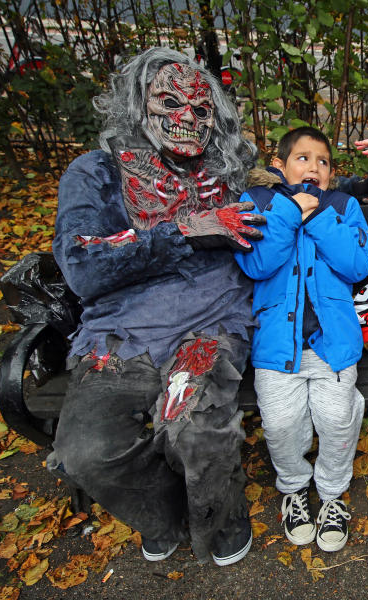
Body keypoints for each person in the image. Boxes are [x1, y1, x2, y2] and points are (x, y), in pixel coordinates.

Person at [46, 48, 265, 566]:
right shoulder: (96, 171)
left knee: (195, 427)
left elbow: (304, 191)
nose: (187, 118)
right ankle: (161, 513)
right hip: (122, 334)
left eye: (202, 109)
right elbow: (80, 264)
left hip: (211, 324)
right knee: (86, 451)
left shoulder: (229, 172)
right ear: (136, 106)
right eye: (169, 102)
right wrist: (187, 231)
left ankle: (221, 517)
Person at [234, 127, 368, 552]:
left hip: (332, 345)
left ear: (332, 173)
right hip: (278, 346)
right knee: (279, 424)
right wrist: (290, 213)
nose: (314, 166)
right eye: (303, 158)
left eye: (324, 161)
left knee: (335, 421)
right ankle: (294, 487)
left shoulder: (344, 207)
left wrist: (317, 217)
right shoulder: (258, 204)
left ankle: (331, 493)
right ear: (279, 165)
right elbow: (257, 263)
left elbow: (357, 265)